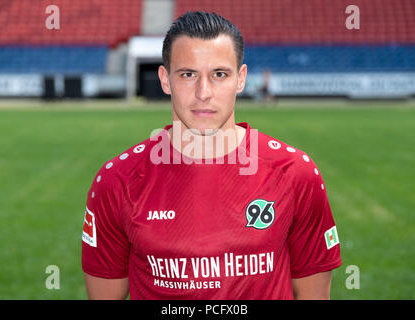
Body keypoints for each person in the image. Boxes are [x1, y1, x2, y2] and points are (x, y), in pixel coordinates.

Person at [82, 11, 341, 300]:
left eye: (219, 74)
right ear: (165, 80)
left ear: (240, 79)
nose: (203, 92)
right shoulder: (117, 180)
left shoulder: (295, 173)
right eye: (188, 74)